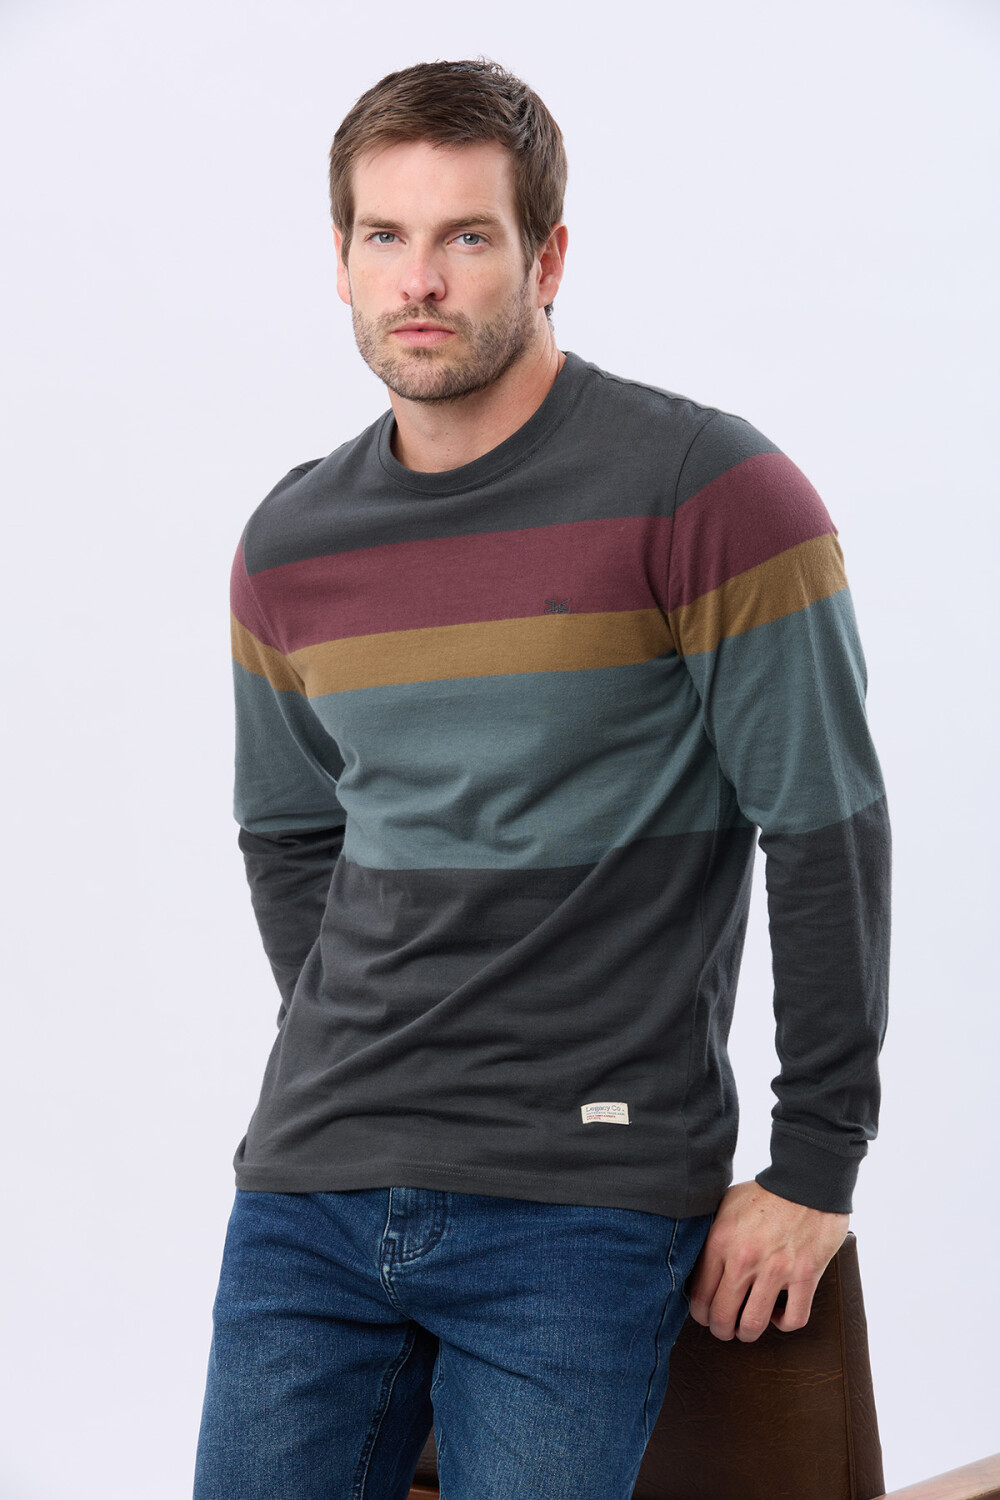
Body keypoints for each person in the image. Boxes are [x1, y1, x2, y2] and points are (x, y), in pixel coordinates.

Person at [193, 57, 891, 1500]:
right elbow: (288, 833)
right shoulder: (290, 542)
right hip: (312, 1188)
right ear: (340, 261)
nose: (420, 280)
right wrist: (373, 1050)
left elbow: (824, 826)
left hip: (584, 1200)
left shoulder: (709, 493)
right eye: (384, 236)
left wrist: (817, 1161)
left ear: (547, 256)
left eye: (467, 235)